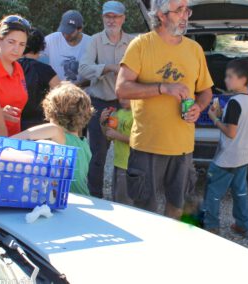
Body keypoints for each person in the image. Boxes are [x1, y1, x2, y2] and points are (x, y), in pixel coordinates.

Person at [115, 0, 213, 219]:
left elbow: (206, 91)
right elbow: (121, 88)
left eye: (187, 10)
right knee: (144, 209)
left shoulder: (194, 49)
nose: (185, 15)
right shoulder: (141, 45)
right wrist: (162, 87)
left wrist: (198, 107)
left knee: (177, 206)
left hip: (182, 148)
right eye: (179, 10)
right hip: (147, 144)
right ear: (160, 14)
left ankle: (169, 249)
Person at [79, 0, 134, 198]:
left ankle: (126, 195)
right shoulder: (94, 40)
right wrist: (108, 67)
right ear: (103, 17)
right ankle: (96, 197)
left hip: (126, 105)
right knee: (98, 155)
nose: (112, 20)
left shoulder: (133, 42)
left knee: (129, 150)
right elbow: (83, 68)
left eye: (116, 16)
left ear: (123, 18)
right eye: (108, 16)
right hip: (101, 102)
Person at [202, 59, 248, 238]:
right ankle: (243, 225)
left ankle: (211, 226)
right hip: (242, 157)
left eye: (230, 77)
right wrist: (221, 115)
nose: (226, 80)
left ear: (243, 79)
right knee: (240, 192)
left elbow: (231, 132)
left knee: (213, 192)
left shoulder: (233, 102)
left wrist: (214, 118)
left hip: (226, 158)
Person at [12, 82, 93, 196]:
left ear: (50, 111)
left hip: (71, 200)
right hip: (83, 196)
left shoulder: (56, 132)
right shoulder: (84, 144)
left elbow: (14, 140)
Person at [17, 28, 60, 130]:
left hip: (14, 121)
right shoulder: (46, 70)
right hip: (40, 124)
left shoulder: (12, 66)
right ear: (41, 47)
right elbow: (62, 95)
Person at [43, 10, 91, 85]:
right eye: (64, 31)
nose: (65, 35)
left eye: (70, 32)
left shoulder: (91, 44)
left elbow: (97, 74)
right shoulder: (50, 40)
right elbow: (35, 58)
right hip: (56, 92)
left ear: (80, 29)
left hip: (82, 92)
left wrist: (75, 86)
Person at [99, 98, 133, 205]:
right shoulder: (119, 113)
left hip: (129, 165)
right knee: (116, 198)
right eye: (120, 97)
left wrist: (117, 135)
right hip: (117, 163)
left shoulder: (137, 116)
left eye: (126, 97)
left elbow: (140, 142)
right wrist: (102, 123)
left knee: (124, 202)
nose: (122, 100)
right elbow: (109, 136)